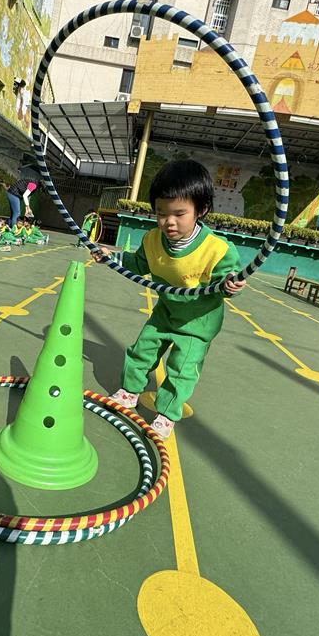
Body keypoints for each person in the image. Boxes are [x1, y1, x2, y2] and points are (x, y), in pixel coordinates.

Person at [91, 160, 246, 439]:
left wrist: (231, 285)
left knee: (182, 369)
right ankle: (129, 392)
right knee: (142, 349)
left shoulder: (218, 250)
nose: (168, 222)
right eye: (161, 213)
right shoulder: (152, 240)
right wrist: (111, 257)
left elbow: (227, 281)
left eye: (179, 213)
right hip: (166, 311)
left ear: (202, 209)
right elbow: (138, 264)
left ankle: (167, 414)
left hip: (199, 322)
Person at [6, 157, 39, 228]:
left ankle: (8, 227)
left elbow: (27, 197)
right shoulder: (34, 185)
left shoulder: (33, 183)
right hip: (13, 194)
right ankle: (14, 230)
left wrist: (27, 209)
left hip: (11, 193)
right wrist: (28, 207)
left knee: (13, 213)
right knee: (17, 213)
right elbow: (25, 196)